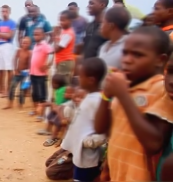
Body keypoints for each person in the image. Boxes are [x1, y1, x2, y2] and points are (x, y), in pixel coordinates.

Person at [95, 26, 173, 181]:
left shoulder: (162, 89)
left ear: (160, 60)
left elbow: (154, 144)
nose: (127, 60)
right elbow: (100, 128)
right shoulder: (125, 86)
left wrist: (123, 96)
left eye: (137, 55)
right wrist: (107, 95)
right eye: (125, 52)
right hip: (118, 173)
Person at [61, 57, 107, 181]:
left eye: (81, 76)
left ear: (91, 80)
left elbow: (104, 130)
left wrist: (87, 142)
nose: (78, 79)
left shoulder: (97, 101)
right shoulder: (89, 97)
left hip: (87, 157)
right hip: (79, 154)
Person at [37, 74, 69, 147]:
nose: (52, 85)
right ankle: (47, 130)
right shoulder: (58, 90)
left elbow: (59, 105)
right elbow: (56, 104)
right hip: (59, 109)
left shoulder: (61, 91)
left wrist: (48, 105)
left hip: (63, 110)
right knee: (50, 115)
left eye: (53, 83)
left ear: (57, 84)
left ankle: (53, 137)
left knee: (57, 120)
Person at [0, 5, 16, 97]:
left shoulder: (12, 23)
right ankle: (0, 88)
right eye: (2, 11)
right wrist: (3, 34)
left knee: (9, 68)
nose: (4, 13)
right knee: (0, 68)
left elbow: (10, 36)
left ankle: (8, 89)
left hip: (7, 46)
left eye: (5, 11)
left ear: (9, 12)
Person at [3, 37, 31, 109]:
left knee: (22, 90)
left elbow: (30, 64)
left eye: (26, 43)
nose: (24, 44)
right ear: (21, 43)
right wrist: (15, 69)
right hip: (17, 72)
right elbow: (15, 59)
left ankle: (20, 104)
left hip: (25, 73)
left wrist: (27, 73)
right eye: (23, 42)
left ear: (29, 44)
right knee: (12, 87)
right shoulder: (19, 51)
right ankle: (10, 103)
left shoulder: (29, 53)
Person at [30, 28, 53, 116]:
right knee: (34, 93)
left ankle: (42, 114)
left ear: (43, 35)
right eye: (34, 34)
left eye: (38, 34)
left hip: (41, 74)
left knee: (42, 94)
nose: (35, 36)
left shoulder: (45, 45)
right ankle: (35, 110)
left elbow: (51, 53)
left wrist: (47, 65)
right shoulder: (35, 45)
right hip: (33, 73)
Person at [54, 10, 75, 83]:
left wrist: (56, 35)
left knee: (63, 84)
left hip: (65, 62)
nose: (61, 22)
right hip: (62, 61)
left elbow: (57, 49)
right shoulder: (64, 31)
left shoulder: (68, 34)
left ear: (70, 21)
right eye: (60, 20)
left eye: (63, 20)